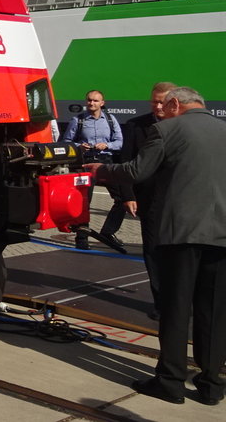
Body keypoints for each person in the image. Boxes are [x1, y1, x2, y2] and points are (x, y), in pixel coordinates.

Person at [86, 86, 226, 406]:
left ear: (176, 103)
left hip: (181, 233)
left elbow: (138, 171)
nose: (161, 110)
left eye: (166, 105)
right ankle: (212, 384)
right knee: (215, 311)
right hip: (222, 235)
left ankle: (171, 381)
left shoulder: (166, 129)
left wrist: (101, 171)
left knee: (176, 308)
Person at [120, 82, 177, 320]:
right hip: (150, 199)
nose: (158, 106)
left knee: (178, 253)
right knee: (153, 251)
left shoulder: (183, 126)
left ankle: (183, 301)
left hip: (181, 200)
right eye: (154, 101)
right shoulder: (136, 126)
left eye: (162, 101)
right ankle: (161, 303)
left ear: (173, 102)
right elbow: (125, 162)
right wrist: (128, 196)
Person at [62, 89, 124, 249]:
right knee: (83, 202)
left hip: (106, 162)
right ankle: (82, 238)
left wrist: (107, 145)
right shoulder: (78, 120)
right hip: (86, 163)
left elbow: (119, 142)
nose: (92, 103)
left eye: (96, 101)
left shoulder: (110, 120)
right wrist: (78, 146)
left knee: (122, 199)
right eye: (89, 100)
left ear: (102, 103)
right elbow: (67, 141)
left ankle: (108, 232)